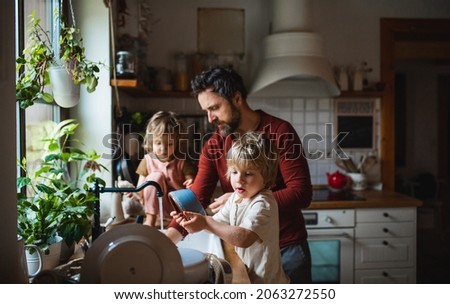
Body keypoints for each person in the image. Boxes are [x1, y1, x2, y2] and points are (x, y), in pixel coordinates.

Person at [165, 66, 313, 283]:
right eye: (206, 110)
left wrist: (243, 200)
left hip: (286, 249)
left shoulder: (280, 132)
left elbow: (301, 193)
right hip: (245, 252)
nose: (210, 118)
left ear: (236, 98)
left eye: (214, 107)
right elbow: (196, 198)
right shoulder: (215, 144)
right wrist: (167, 241)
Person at [174, 132, 289, 283]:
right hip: (249, 275)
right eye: (234, 172)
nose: (239, 179)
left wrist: (206, 223)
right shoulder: (236, 197)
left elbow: (244, 238)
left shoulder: (263, 203)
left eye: (248, 174)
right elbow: (218, 223)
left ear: (266, 177)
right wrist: (195, 222)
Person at [134, 111, 196, 227]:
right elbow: (140, 189)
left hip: (176, 207)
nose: (163, 149)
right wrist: (134, 192)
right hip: (154, 208)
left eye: (170, 144)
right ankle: (150, 220)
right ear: (151, 142)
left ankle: (173, 221)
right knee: (155, 177)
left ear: (177, 142)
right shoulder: (147, 160)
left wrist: (191, 183)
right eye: (158, 143)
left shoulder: (182, 162)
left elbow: (191, 183)